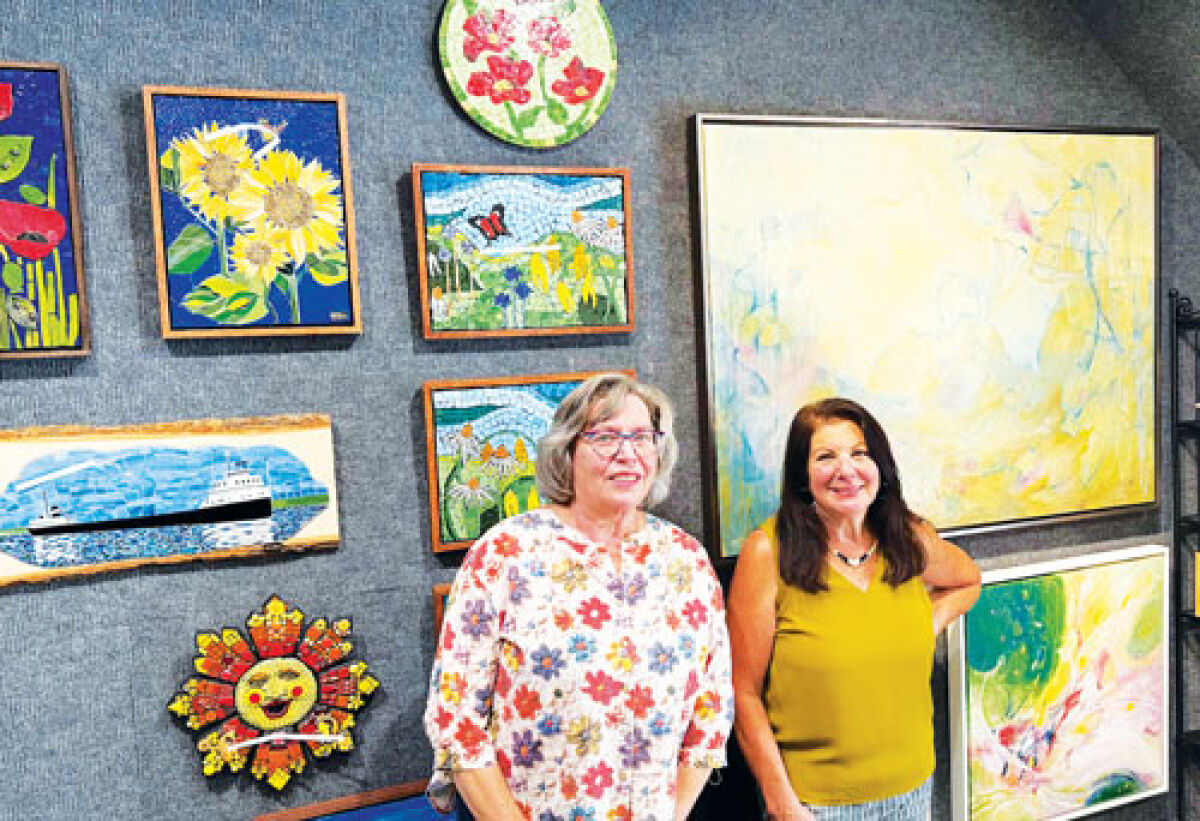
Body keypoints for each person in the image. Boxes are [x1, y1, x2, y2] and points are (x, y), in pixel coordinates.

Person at [424, 373, 734, 820]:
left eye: (642, 437)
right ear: (567, 450)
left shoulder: (686, 559)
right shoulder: (505, 553)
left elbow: (711, 712)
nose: (627, 454)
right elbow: (456, 720)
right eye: (605, 437)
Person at [727, 397, 981, 820]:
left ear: (879, 465)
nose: (846, 470)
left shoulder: (909, 539)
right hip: (815, 805)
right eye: (826, 456)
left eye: (859, 454)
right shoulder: (768, 552)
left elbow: (968, 580)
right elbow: (743, 692)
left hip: (913, 793)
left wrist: (924, 622)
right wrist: (781, 803)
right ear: (803, 477)